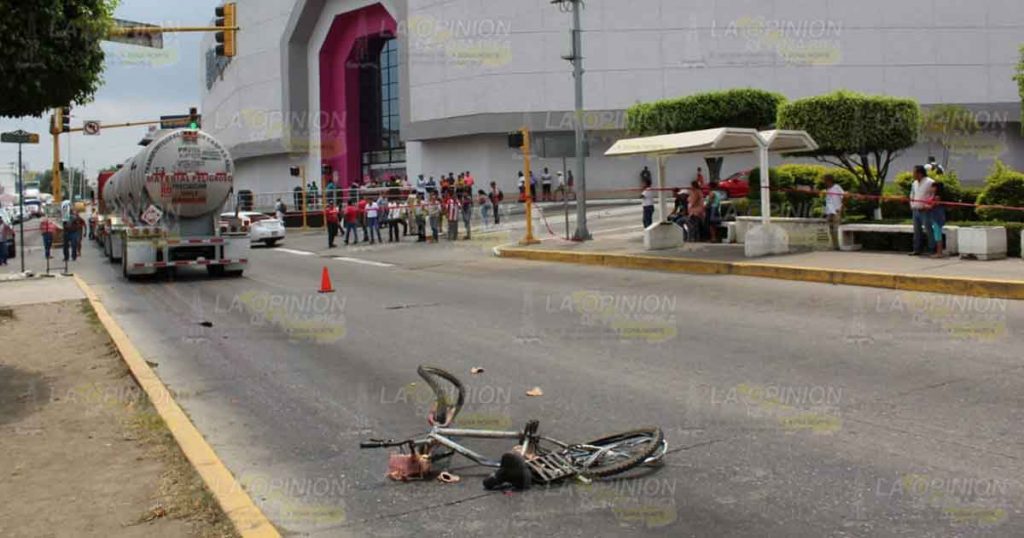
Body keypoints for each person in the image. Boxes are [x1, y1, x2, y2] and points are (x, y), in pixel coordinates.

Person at [909, 165, 935, 256]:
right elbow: (912, 194)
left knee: (928, 230)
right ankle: (917, 249)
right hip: (915, 209)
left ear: (919, 173)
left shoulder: (930, 182)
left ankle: (932, 249)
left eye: (914, 172)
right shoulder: (914, 183)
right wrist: (912, 204)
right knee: (916, 230)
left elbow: (933, 195)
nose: (913, 174)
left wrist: (928, 206)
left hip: (925, 210)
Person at [822, 174, 845, 251]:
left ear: (829, 181)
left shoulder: (837, 187)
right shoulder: (827, 189)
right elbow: (828, 201)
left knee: (836, 228)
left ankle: (838, 245)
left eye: (825, 181)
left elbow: (843, 196)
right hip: (829, 211)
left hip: (836, 210)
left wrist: (841, 208)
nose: (824, 182)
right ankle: (833, 245)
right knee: (830, 229)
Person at [928, 182, 947, 258]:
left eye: (933, 187)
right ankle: (939, 252)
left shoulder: (937, 197)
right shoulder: (934, 196)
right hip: (935, 217)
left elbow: (932, 206)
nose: (931, 188)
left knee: (938, 235)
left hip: (937, 218)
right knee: (937, 234)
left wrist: (924, 206)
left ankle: (939, 253)